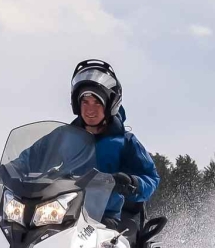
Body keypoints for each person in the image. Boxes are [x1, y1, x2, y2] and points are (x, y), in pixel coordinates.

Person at [68, 59, 159, 230]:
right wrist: (5, 171)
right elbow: (29, 159)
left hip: (107, 218)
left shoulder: (125, 142)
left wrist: (133, 183)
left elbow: (151, 177)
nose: (90, 109)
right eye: (85, 102)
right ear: (76, 104)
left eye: (97, 102)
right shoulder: (63, 139)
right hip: (62, 214)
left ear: (110, 104)